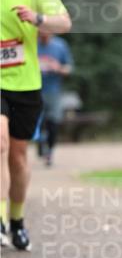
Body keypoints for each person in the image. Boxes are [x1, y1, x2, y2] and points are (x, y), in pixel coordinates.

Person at [0, 0, 71, 250]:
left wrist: (38, 19)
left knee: (18, 158)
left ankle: (17, 221)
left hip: (26, 84)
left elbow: (65, 22)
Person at [37, 29, 74, 166]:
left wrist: (58, 68)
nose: (43, 34)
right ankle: (41, 143)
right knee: (37, 122)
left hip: (54, 91)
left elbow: (69, 69)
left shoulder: (60, 45)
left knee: (53, 123)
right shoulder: (31, 44)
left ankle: (50, 151)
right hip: (34, 91)